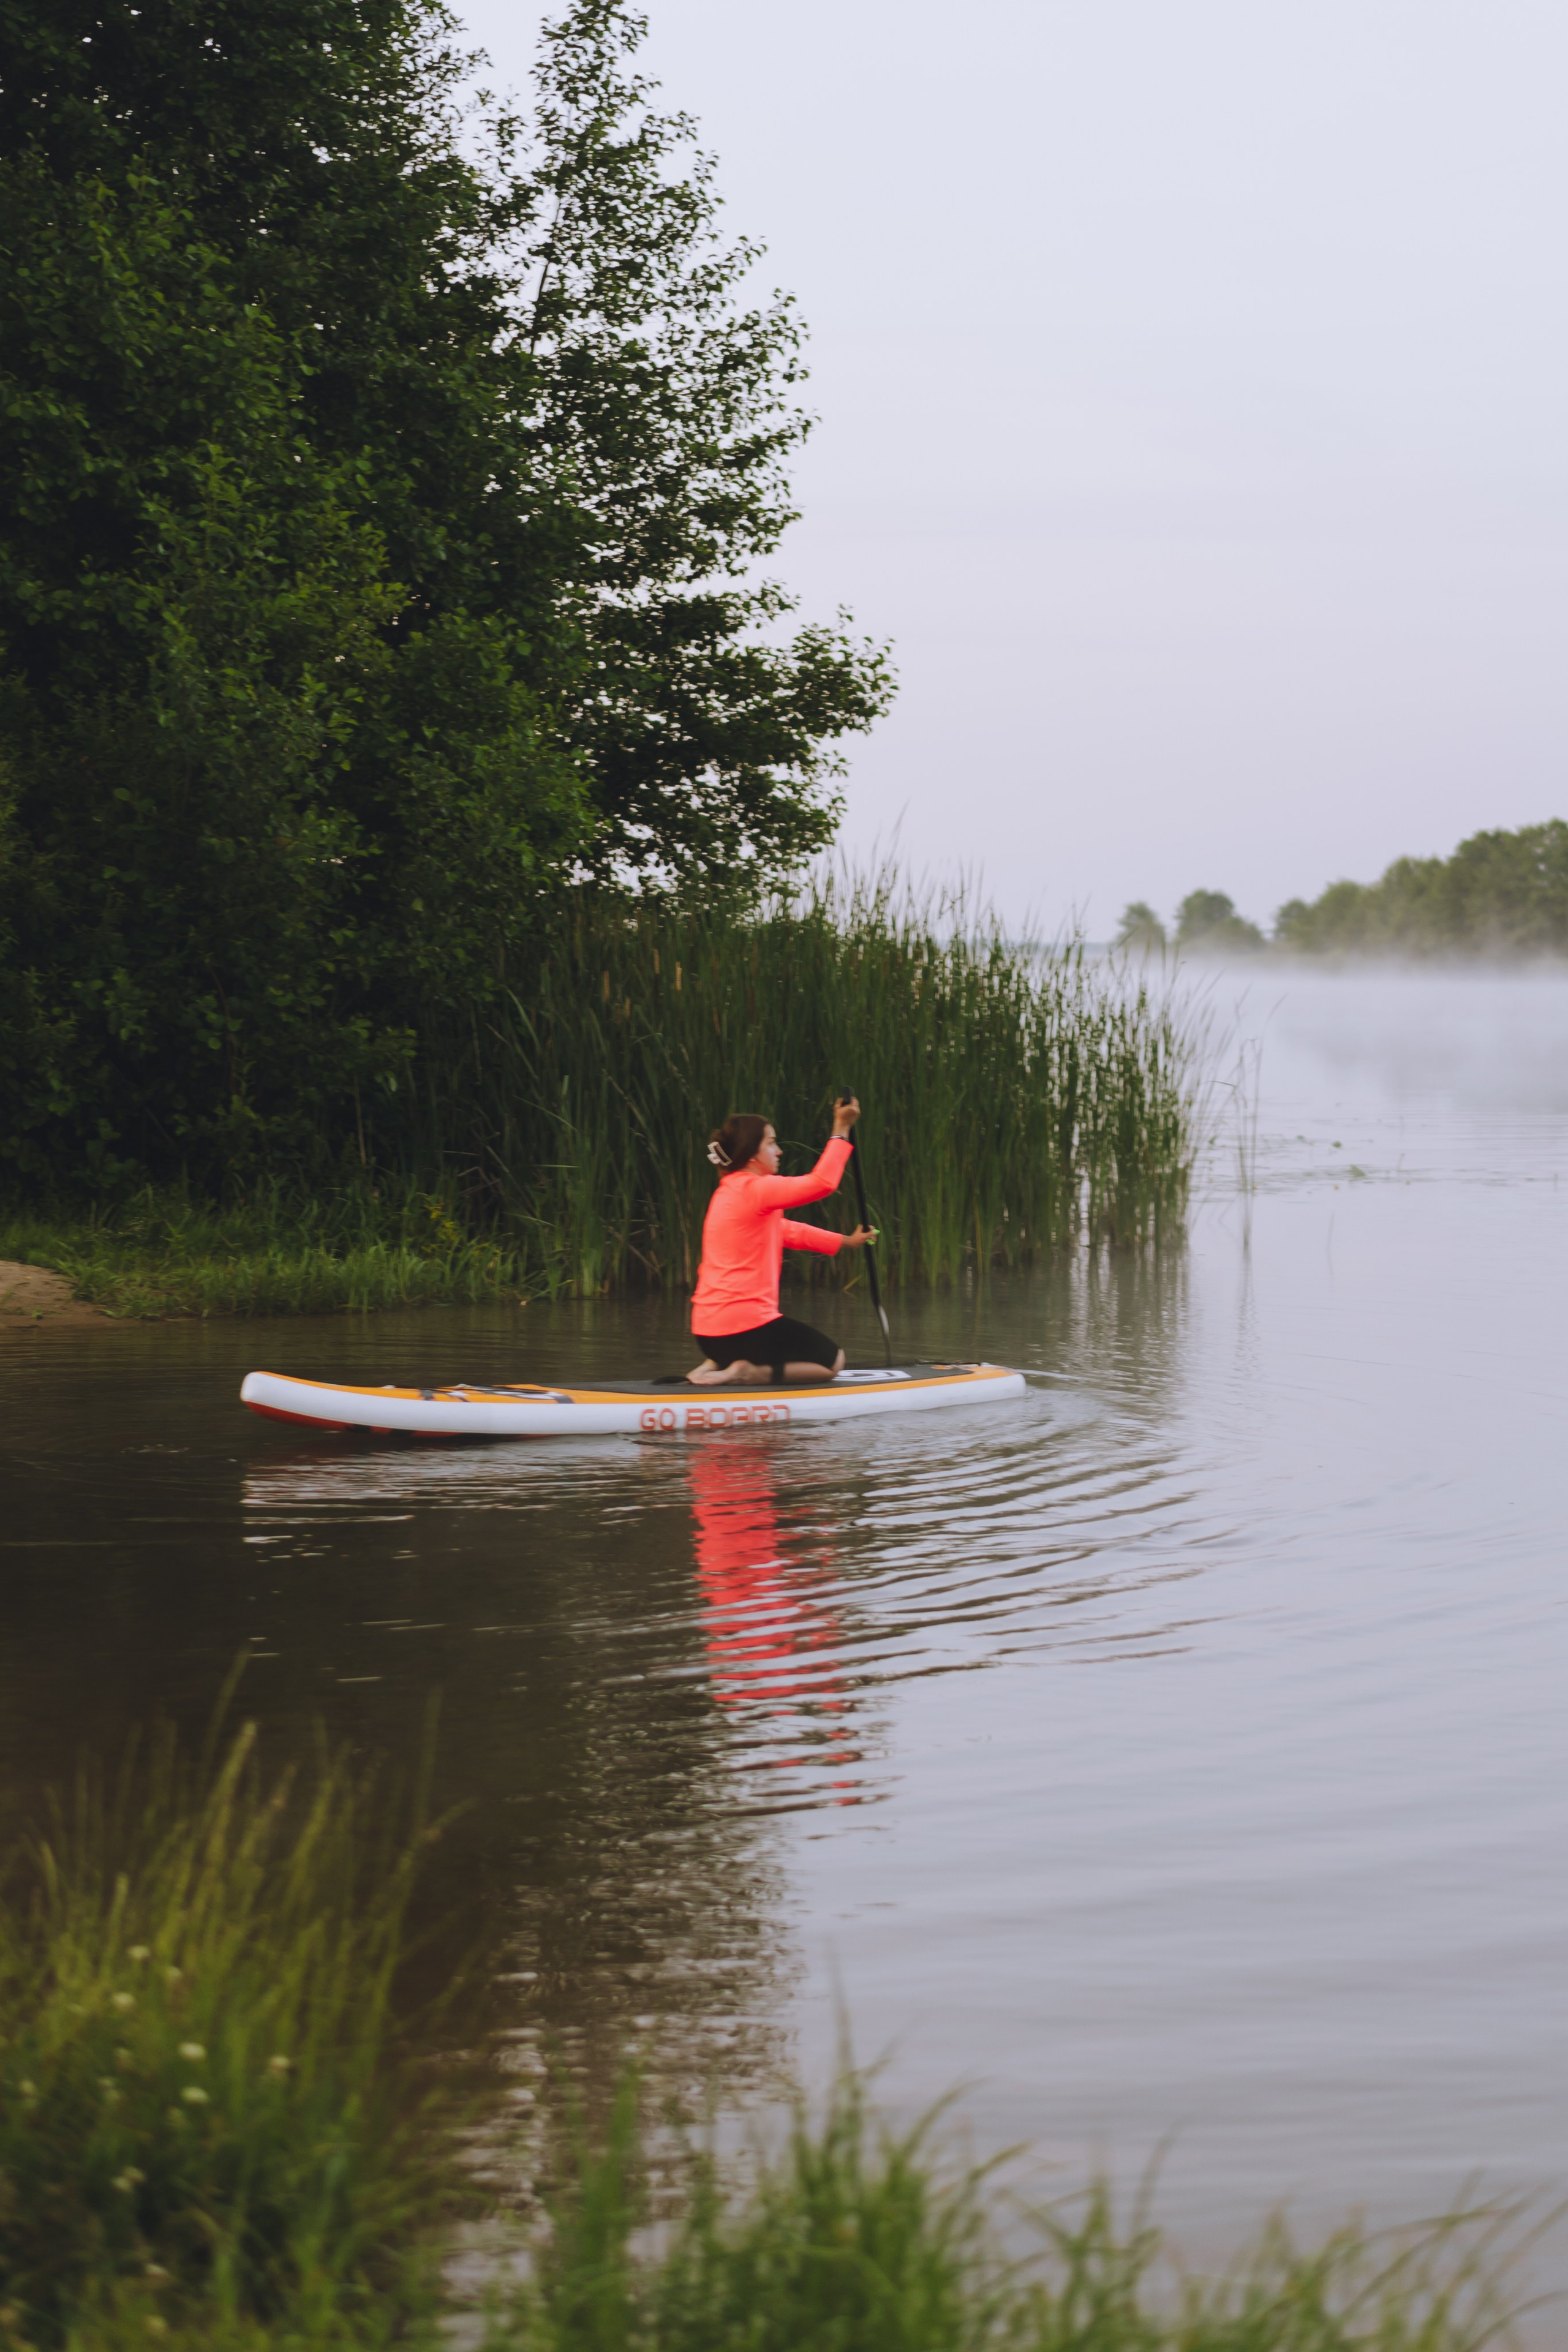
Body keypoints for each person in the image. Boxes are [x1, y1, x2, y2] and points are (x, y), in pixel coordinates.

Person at [687, 1095, 873, 1387]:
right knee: (833, 1361)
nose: (779, 1151)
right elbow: (822, 1183)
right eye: (771, 1143)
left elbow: (788, 1231)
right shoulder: (756, 1189)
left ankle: (717, 1364)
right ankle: (749, 1373)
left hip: (708, 1334)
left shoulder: (726, 1194)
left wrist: (846, 1242)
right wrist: (841, 1128)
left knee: (767, 1341)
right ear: (752, 1155)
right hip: (745, 1329)